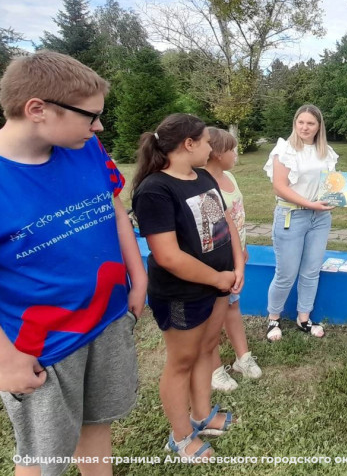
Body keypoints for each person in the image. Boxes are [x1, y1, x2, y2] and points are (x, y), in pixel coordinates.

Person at [0, 51, 146, 476]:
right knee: (43, 457)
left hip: (107, 319)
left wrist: (137, 275)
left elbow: (114, 206)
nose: (99, 126)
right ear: (37, 110)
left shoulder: (85, 147)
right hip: (43, 346)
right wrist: (6, 357)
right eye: (91, 116)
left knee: (97, 422)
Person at [132, 114, 245, 461]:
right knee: (181, 361)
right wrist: (217, 278)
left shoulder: (202, 177)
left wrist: (238, 263)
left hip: (219, 284)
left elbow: (225, 221)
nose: (212, 147)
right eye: (207, 141)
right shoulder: (155, 190)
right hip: (182, 293)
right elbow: (167, 255)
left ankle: (203, 415)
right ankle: (180, 437)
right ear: (189, 144)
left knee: (207, 348)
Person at [263, 104, 338, 342]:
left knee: (311, 271)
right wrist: (310, 203)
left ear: (319, 127)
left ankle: (303, 317)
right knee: (286, 272)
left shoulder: (325, 151)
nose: (305, 127)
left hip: (320, 218)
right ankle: (273, 318)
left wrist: (332, 198)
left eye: (310, 123)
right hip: (291, 216)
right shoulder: (284, 150)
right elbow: (280, 186)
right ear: (295, 123)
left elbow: (331, 183)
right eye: (300, 122)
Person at [204, 127, 262, 392]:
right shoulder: (203, 184)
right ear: (216, 154)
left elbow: (237, 217)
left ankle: (243, 358)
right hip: (216, 261)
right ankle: (214, 369)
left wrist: (243, 248)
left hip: (236, 256)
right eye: (232, 150)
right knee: (212, 316)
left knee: (232, 308)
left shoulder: (228, 177)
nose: (237, 154)